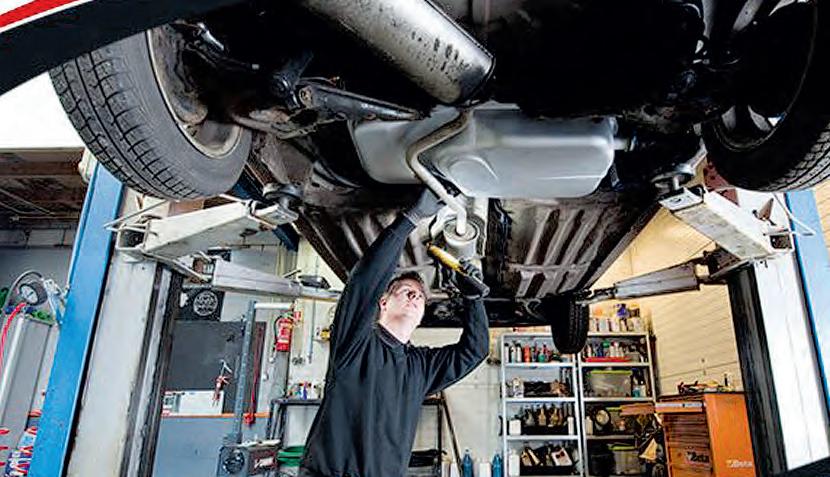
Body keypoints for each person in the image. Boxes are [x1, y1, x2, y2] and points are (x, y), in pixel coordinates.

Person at [299, 189, 490, 477]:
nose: (415, 297)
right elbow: (364, 282)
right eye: (406, 291)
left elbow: (474, 351)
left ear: (422, 314)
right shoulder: (356, 342)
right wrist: (411, 218)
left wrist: (473, 301)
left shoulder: (420, 367)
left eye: (420, 296)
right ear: (383, 302)